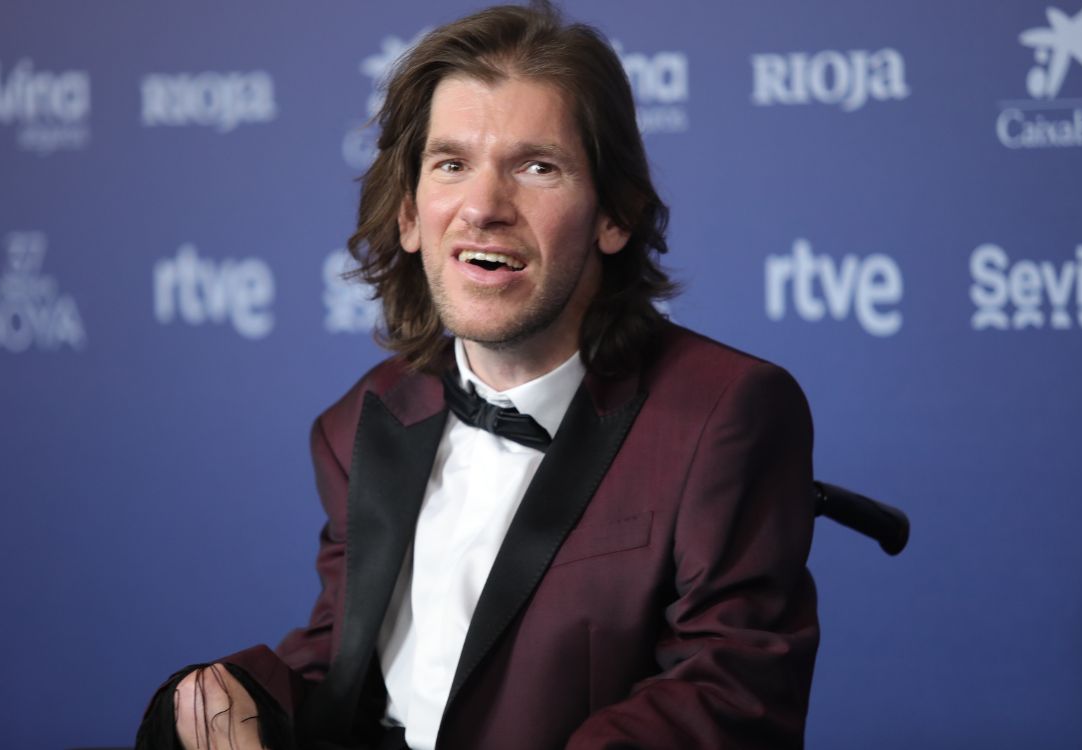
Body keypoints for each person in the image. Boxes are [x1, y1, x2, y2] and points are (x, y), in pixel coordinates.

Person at [136, 3, 818, 749]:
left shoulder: (724, 413)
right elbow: (348, 660)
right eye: (452, 164)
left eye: (536, 167)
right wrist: (233, 703)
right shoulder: (360, 422)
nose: (484, 208)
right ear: (407, 212)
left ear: (613, 215)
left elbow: (732, 689)